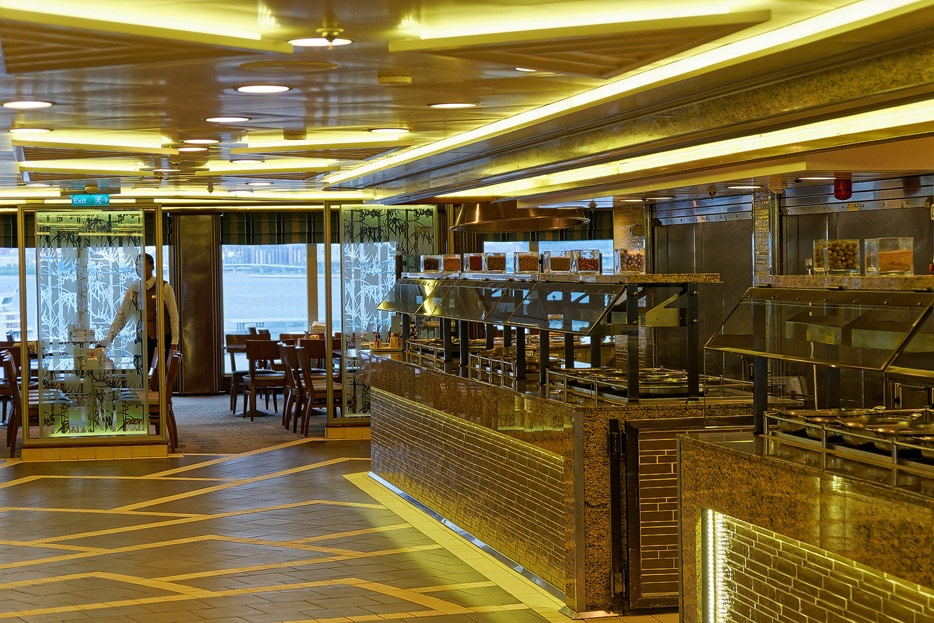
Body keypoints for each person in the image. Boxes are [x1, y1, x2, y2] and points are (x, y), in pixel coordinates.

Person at [101, 253, 179, 370]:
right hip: (143, 340)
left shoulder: (164, 287)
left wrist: (174, 342)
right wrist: (110, 337)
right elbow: (122, 316)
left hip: (163, 339)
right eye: (137, 265)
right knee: (142, 374)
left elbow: (174, 316)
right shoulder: (133, 290)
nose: (138, 268)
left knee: (162, 374)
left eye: (142, 265)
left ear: (152, 266)